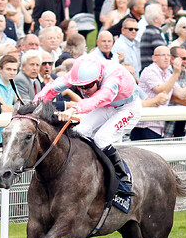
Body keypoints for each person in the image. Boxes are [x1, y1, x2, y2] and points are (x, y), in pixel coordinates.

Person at [34, 56, 134, 194]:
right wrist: (35, 105)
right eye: (79, 87)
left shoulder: (113, 78)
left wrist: (73, 110)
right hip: (106, 107)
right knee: (80, 132)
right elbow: (51, 88)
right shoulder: (78, 74)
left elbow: (97, 99)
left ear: (99, 79)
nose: (84, 90)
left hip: (127, 108)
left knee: (101, 138)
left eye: (87, 86)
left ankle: (124, 179)